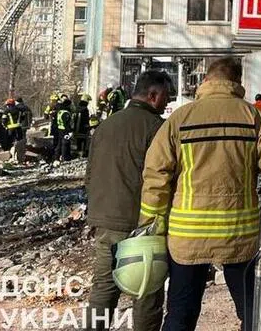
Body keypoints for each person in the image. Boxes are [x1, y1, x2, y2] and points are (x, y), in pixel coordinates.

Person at [139, 56, 261, 331]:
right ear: (238, 83)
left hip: (187, 237)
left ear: (207, 80)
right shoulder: (254, 117)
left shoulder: (180, 118)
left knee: (180, 314)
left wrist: (151, 225)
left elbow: (155, 175)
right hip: (239, 235)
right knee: (252, 312)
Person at [85, 70, 172, 331]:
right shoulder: (156, 128)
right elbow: (166, 176)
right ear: (153, 94)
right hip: (142, 224)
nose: (167, 103)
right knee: (146, 290)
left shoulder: (106, 124)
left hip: (105, 220)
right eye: (165, 97)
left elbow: (90, 173)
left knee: (103, 288)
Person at [3, 99, 26, 166]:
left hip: (10, 129)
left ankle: (12, 157)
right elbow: (23, 118)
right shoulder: (19, 110)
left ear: (8, 105)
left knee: (11, 143)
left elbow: (4, 120)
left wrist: (5, 126)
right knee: (18, 142)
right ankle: (18, 158)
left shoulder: (6, 111)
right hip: (18, 128)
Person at [52, 96, 74, 164]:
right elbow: (67, 123)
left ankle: (56, 157)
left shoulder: (60, 111)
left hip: (59, 129)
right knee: (65, 144)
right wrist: (69, 131)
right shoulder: (66, 113)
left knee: (59, 144)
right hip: (65, 130)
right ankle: (65, 157)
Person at [73, 94, 92, 159]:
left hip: (76, 128)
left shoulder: (78, 107)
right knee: (83, 140)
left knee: (78, 141)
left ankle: (78, 152)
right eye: (88, 101)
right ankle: (83, 153)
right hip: (82, 128)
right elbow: (84, 119)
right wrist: (88, 126)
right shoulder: (84, 109)